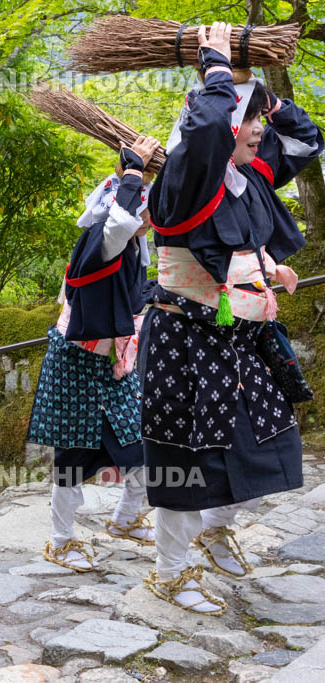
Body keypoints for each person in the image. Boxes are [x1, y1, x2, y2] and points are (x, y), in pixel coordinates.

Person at [141, 23, 323, 614]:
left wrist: (266, 98)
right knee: (184, 462)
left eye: (255, 121)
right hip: (184, 344)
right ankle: (172, 571)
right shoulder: (182, 187)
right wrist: (217, 70)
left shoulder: (252, 178)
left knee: (270, 448)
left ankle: (217, 530)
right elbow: (200, 136)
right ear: (220, 130)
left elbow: (306, 140)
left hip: (242, 343)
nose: (257, 132)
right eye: (246, 123)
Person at [27, 137, 161, 571]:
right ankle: (61, 541)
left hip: (115, 364)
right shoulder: (97, 244)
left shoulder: (133, 248)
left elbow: (136, 289)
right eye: (144, 210)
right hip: (75, 363)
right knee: (73, 457)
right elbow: (119, 224)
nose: (148, 221)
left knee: (142, 442)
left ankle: (125, 519)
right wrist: (132, 174)